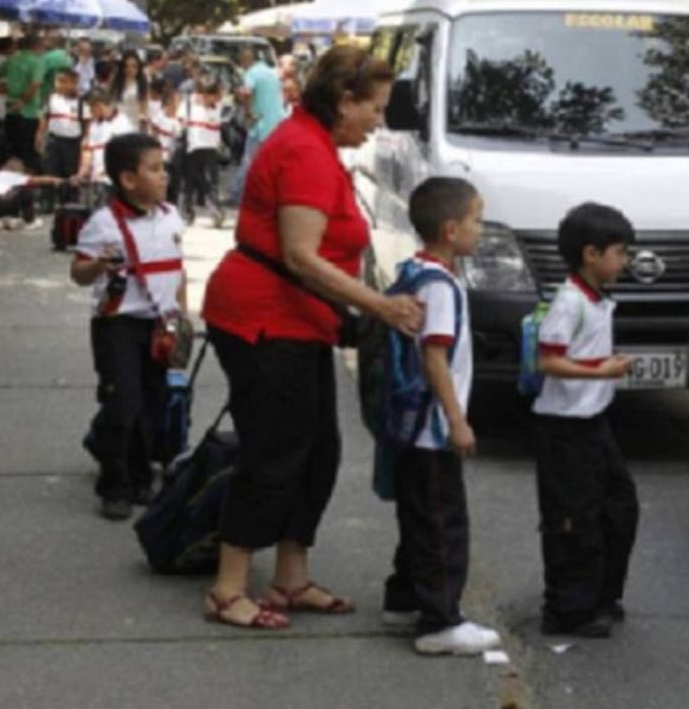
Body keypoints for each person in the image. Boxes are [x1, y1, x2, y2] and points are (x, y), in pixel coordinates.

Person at [199, 45, 423, 630]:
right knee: (273, 453)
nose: (379, 120)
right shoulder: (302, 150)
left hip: (300, 321)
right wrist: (381, 306)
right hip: (265, 318)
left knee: (318, 451)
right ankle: (227, 587)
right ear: (344, 101)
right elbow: (300, 256)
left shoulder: (316, 145)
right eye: (373, 107)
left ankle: (290, 577)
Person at [379, 177, 502, 656]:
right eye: (477, 220)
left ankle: (404, 598)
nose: (481, 229)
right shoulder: (442, 287)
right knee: (442, 524)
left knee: (419, 516)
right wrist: (457, 420)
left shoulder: (413, 270)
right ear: (451, 229)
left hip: (408, 424)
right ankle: (440, 620)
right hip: (431, 427)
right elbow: (436, 358)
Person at [532, 202, 638, 638]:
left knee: (618, 508)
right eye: (619, 252)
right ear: (591, 255)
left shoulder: (598, 299)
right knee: (574, 520)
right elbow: (548, 362)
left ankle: (601, 593)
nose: (626, 261)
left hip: (594, 421)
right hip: (565, 428)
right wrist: (601, 372)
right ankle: (567, 609)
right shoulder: (569, 302)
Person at [70, 133, 186, 520]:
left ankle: (140, 476)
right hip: (117, 325)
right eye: (154, 169)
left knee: (152, 404)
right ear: (128, 180)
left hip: (158, 325)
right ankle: (114, 485)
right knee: (122, 403)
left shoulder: (171, 215)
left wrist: (181, 319)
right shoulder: (104, 223)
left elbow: (177, 271)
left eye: (163, 167)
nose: (164, 175)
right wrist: (99, 264)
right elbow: (79, 274)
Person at [230, 47, 289, 203]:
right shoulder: (271, 72)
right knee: (272, 162)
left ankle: (237, 194)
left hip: (260, 124)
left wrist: (248, 111)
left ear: (245, 61)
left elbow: (246, 92)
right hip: (277, 122)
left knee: (248, 160)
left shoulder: (252, 73)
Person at [35, 68, 86, 203]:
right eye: (57, 81)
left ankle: (70, 202)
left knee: (70, 173)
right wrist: (39, 136)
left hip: (72, 143)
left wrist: (85, 142)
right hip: (53, 140)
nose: (59, 85)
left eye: (64, 81)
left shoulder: (81, 102)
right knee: (50, 170)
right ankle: (48, 201)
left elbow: (86, 125)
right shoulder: (51, 99)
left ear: (74, 83)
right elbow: (44, 118)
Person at [180, 75, 225, 226]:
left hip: (211, 149)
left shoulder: (217, 106)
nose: (208, 98)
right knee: (189, 182)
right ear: (200, 93)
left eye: (212, 94)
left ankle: (215, 212)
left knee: (211, 182)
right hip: (192, 148)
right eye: (205, 94)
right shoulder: (189, 103)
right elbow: (180, 118)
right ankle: (186, 213)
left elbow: (223, 98)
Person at [0, 158, 68, 230]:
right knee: (24, 190)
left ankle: (3, 220)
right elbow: (38, 180)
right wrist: (57, 180)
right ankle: (30, 221)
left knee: (13, 196)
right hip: (0, 202)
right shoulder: (14, 176)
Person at [0, 32, 45, 169]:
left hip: (10, 111)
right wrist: (23, 102)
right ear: (37, 46)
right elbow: (35, 84)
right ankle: (26, 181)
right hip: (28, 112)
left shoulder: (10, 60)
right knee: (28, 152)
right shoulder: (37, 62)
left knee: (12, 150)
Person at [79, 88, 136, 197]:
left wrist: (109, 169)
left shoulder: (123, 123)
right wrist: (83, 171)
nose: (91, 114)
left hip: (113, 179)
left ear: (99, 106)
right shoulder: (94, 125)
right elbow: (89, 150)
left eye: (92, 110)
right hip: (96, 178)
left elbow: (125, 153)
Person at [148, 82, 184, 205]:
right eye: (175, 102)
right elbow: (153, 132)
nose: (177, 105)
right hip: (162, 155)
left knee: (175, 181)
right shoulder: (159, 117)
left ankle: (172, 204)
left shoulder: (178, 119)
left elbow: (180, 134)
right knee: (163, 181)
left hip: (175, 155)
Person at [110, 49, 148, 128]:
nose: (130, 69)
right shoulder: (116, 82)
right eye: (127, 66)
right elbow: (110, 103)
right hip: (116, 124)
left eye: (134, 66)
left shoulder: (142, 84)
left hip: (133, 126)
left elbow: (144, 110)